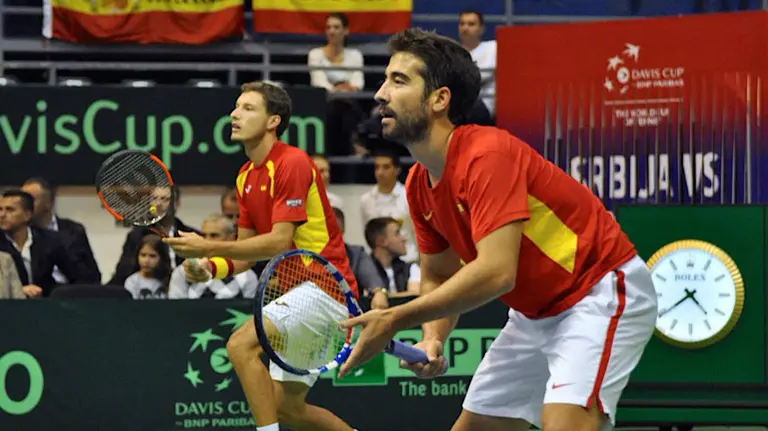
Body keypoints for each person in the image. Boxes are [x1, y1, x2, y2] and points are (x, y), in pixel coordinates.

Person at [337, 29, 658, 431]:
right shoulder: (420, 184)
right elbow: (439, 273)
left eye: (399, 81)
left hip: (597, 291)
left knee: (566, 424)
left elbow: (496, 270)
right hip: (533, 314)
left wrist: (393, 318)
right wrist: (433, 336)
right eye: (384, 80)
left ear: (440, 99)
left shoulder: (487, 154)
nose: (380, 94)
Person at [163, 81, 360, 431]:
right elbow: (245, 254)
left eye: (248, 108)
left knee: (239, 346)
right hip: (294, 295)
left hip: (325, 289)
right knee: (288, 409)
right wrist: (209, 268)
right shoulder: (245, 178)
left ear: (273, 121)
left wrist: (207, 245)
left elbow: (277, 242)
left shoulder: (292, 163)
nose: (234, 114)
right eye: (236, 107)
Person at [124, 235, 171, 300]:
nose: (146, 261)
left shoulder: (169, 280)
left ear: (162, 258)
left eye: (152, 256)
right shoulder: (132, 281)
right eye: (143, 255)